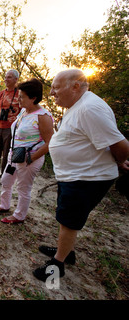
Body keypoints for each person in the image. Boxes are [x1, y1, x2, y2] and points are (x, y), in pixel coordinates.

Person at [33, 69, 129, 281]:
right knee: (66, 217)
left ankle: (57, 265)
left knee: (69, 221)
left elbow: (121, 145)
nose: (51, 93)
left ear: (75, 86)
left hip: (87, 178)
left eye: (56, 88)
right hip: (75, 175)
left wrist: (120, 161)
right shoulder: (78, 105)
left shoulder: (89, 109)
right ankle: (67, 252)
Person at [0, 78, 54, 224]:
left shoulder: (43, 116)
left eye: (22, 97)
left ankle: (19, 215)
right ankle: (4, 205)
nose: (19, 99)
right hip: (15, 155)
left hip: (30, 158)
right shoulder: (24, 111)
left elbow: (50, 142)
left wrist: (31, 158)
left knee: (23, 188)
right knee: (6, 180)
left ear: (34, 98)